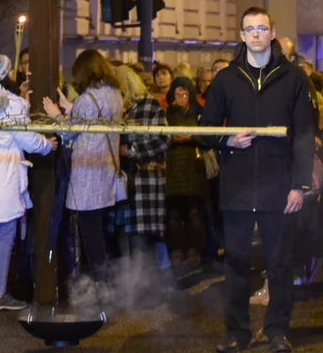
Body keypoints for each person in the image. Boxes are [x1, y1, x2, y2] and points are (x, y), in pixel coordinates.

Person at [200, 7, 316, 353]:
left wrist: (300, 184)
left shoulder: (293, 77)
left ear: (272, 32)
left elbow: (304, 134)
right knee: (235, 260)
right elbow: (204, 130)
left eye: (261, 28)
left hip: (278, 184)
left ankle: (277, 329)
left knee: (279, 261)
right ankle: (236, 331)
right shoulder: (226, 79)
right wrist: (227, 140)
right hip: (236, 186)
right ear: (241, 36)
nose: (255, 35)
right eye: (249, 29)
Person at [0, 54, 57, 310]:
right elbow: (24, 138)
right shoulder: (12, 103)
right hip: (4, 173)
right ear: (3, 74)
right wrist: (46, 145)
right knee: (5, 235)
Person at [43, 50, 125, 296]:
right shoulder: (114, 94)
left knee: (90, 231)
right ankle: (106, 279)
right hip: (106, 167)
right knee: (99, 228)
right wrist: (72, 109)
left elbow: (69, 133)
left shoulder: (87, 98)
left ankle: (101, 283)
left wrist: (57, 116)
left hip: (88, 171)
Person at [112, 66, 170, 263]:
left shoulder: (150, 105)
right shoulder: (118, 107)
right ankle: (129, 288)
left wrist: (130, 150)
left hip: (143, 181)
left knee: (140, 242)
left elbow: (163, 140)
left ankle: (146, 288)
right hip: (122, 183)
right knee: (122, 237)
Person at [165, 77, 209, 263]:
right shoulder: (167, 113)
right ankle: (175, 250)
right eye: (177, 93)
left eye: (185, 93)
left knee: (194, 214)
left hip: (194, 169)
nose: (181, 97)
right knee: (173, 214)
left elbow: (208, 138)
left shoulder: (199, 113)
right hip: (173, 169)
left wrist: (193, 135)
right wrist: (172, 137)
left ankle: (194, 250)